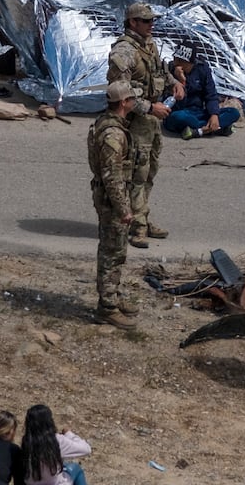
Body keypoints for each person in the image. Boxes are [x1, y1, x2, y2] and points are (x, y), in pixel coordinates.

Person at [108, 2, 183, 247]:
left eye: (152, 20)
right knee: (135, 173)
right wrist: (150, 107)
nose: (152, 24)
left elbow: (158, 70)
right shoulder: (123, 52)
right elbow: (122, 94)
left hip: (152, 118)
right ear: (132, 22)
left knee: (149, 171)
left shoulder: (147, 45)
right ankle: (135, 225)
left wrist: (174, 82)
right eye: (146, 20)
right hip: (136, 119)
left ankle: (142, 215)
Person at [88, 82, 140, 329]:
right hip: (112, 201)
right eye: (132, 98)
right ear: (123, 103)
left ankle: (113, 296)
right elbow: (112, 175)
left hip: (111, 197)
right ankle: (106, 307)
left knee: (116, 251)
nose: (134, 102)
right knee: (112, 253)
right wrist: (124, 209)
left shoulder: (108, 124)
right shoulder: (113, 134)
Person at [163, 43, 240, 139]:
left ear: (191, 63)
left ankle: (199, 131)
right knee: (180, 117)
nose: (176, 63)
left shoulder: (202, 69)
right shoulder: (169, 71)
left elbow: (211, 95)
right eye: (175, 59)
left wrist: (214, 115)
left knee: (233, 113)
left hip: (198, 111)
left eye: (181, 61)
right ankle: (216, 128)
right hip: (179, 112)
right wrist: (181, 81)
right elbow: (174, 102)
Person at [22, 404, 90, 485]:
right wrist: (69, 434)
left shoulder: (27, 441)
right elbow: (86, 449)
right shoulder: (56, 440)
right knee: (76, 468)